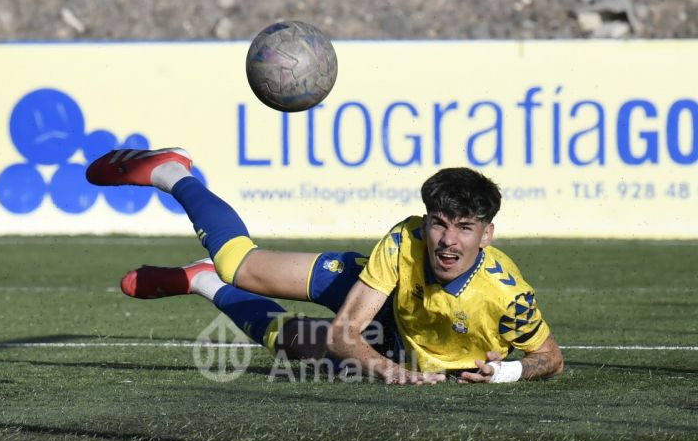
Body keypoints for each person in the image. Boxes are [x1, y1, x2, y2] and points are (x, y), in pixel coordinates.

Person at [86, 147, 564, 385]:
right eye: (439, 224)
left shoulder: (507, 295)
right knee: (240, 265)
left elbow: (551, 358)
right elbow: (343, 333)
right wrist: (389, 372)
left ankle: (203, 282)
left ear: (487, 235)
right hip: (373, 292)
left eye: (464, 228)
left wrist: (508, 373)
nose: (447, 241)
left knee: (288, 343)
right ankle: (173, 172)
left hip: (405, 343)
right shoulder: (405, 240)